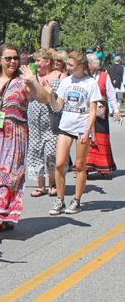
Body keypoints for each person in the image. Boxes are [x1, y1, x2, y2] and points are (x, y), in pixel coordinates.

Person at [0, 44, 50, 242]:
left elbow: (44, 98)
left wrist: (33, 81)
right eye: (8, 58)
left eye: (15, 58)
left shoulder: (23, 81)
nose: (12, 62)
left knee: (8, 176)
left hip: (15, 136)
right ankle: (4, 218)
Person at [44, 51, 101, 215]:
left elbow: (92, 111)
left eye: (70, 65)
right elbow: (58, 107)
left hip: (82, 129)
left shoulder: (91, 83)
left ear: (81, 66)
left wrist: (87, 131)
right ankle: (60, 200)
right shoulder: (66, 81)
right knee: (60, 164)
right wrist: (50, 95)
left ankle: (76, 200)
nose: (67, 67)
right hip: (66, 127)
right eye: (67, 64)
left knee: (80, 166)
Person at [27, 49, 67, 198]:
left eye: (38, 60)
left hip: (52, 119)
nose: (36, 63)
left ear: (47, 61)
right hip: (34, 120)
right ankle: (40, 186)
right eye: (35, 60)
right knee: (36, 151)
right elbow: (27, 93)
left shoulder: (61, 76)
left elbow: (65, 97)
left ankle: (53, 183)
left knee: (50, 152)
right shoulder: (33, 76)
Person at [85, 53, 120, 174]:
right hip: (85, 110)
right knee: (84, 135)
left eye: (87, 63)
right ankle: (84, 165)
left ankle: (102, 165)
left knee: (101, 136)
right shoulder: (83, 77)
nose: (85, 66)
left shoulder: (104, 76)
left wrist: (116, 110)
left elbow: (111, 94)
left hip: (100, 110)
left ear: (93, 64)